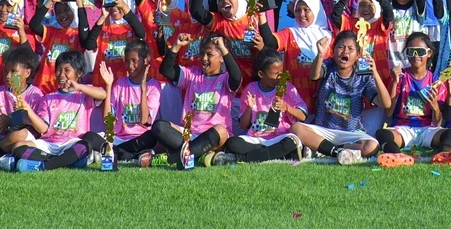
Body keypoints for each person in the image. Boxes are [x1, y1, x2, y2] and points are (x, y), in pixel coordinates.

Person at [292, 30, 393, 164]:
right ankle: (337, 152)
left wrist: (375, 74)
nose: (345, 51)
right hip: (323, 129)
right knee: (296, 128)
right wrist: (321, 54)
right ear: (333, 51)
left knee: (372, 146)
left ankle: (325, 149)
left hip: (350, 133)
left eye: (350, 49)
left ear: (357, 55)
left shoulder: (363, 76)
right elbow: (314, 75)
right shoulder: (328, 65)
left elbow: (385, 104)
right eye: (341, 47)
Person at [0, 52, 108, 171]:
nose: (62, 75)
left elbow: (103, 94)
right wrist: (28, 110)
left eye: (67, 70)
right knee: (17, 147)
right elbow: (43, 129)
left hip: (72, 142)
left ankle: (44, 165)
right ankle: (67, 160)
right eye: (59, 70)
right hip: (48, 144)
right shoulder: (48, 98)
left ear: (79, 73)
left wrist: (79, 87)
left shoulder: (84, 94)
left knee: (85, 145)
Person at [151, 33, 241, 167]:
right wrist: (176, 46)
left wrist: (223, 48)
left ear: (221, 57)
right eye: (202, 54)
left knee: (221, 130)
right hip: (189, 134)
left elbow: (237, 76)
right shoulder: (192, 75)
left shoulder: (225, 79)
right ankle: (199, 155)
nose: (204, 58)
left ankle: (173, 159)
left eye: (209, 55)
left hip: (213, 138)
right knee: (159, 127)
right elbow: (166, 70)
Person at [226, 52, 308, 163]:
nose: (280, 77)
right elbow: (243, 125)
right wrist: (249, 108)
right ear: (261, 74)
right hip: (257, 138)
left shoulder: (287, 88)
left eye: (281, 73)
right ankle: (275, 154)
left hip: (280, 137)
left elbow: (302, 116)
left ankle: (244, 158)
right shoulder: (251, 89)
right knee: (233, 143)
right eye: (275, 74)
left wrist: (287, 107)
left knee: (291, 142)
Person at [373, 32, 445, 158]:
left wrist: (435, 106)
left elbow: (438, 123)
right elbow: (389, 112)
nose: (415, 55)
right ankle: (398, 156)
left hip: (427, 129)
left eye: (420, 51)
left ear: (429, 53)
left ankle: (443, 155)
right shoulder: (400, 77)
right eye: (411, 51)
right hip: (402, 129)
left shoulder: (436, 81)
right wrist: (394, 82)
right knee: (382, 134)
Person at [108, 42, 164, 161]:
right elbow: (109, 118)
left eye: (134, 61)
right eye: (127, 61)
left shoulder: (154, 86)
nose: (130, 65)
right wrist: (108, 85)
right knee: (92, 138)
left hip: (141, 138)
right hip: (119, 138)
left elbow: (145, 121)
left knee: (152, 137)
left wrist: (143, 90)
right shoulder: (120, 83)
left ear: (146, 60)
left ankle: (115, 153)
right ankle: (132, 155)